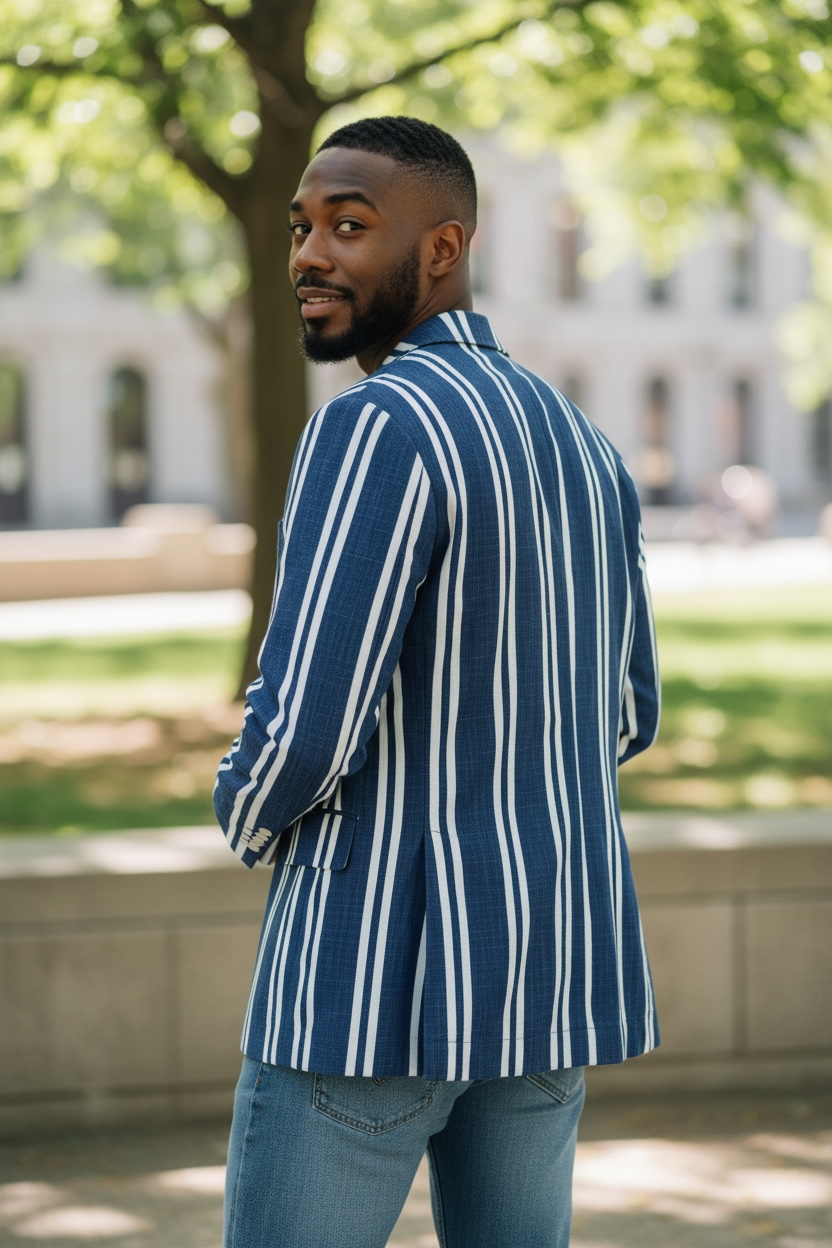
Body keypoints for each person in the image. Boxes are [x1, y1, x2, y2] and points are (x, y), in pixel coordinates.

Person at [215, 115, 660, 1248]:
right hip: (547, 976)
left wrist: (245, 811)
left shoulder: (376, 430)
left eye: (350, 228)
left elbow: (302, 736)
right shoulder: (582, 442)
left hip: (367, 990)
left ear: (443, 247)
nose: (310, 254)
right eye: (302, 227)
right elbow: (627, 712)